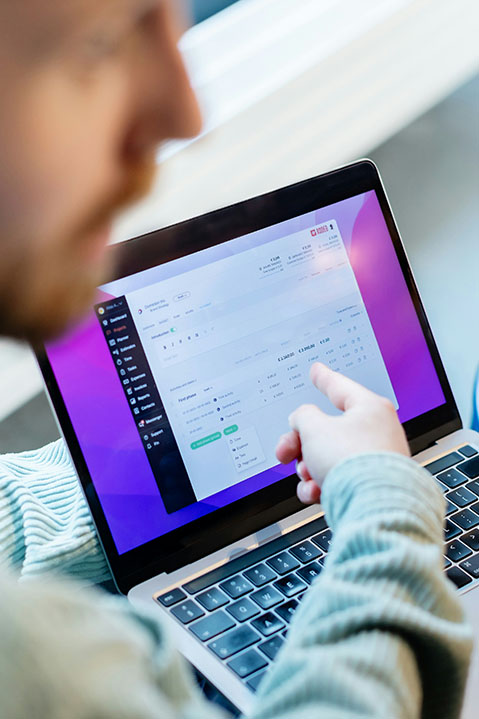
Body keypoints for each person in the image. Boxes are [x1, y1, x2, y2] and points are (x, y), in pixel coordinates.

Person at [0, 1, 473, 717]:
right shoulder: (40, 660)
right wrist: (383, 498)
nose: (187, 111)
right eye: (97, 44)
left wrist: (134, 482)